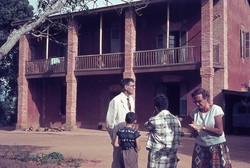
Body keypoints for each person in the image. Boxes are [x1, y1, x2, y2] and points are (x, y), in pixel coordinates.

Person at [189, 88, 232, 168]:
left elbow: (220, 132)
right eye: (195, 102)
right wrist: (195, 131)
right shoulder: (194, 112)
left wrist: (202, 127)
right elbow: (195, 135)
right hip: (200, 146)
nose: (197, 104)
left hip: (216, 145)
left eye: (199, 101)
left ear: (206, 98)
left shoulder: (216, 109)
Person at [144, 94, 182, 168]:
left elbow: (146, 126)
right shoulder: (177, 120)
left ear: (155, 108)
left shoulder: (153, 120)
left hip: (156, 159)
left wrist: (154, 115)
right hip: (171, 157)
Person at [106, 77, 135, 168]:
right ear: (126, 87)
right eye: (132, 86)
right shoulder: (116, 101)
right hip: (119, 133)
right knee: (118, 159)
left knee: (129, 159)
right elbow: (109, 122)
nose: (134, 88)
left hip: (130, 133)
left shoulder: (131, 100)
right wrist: (115, 136)